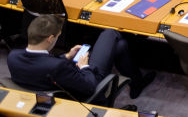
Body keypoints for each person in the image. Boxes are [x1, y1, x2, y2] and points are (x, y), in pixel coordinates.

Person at [7, 14, 154, 100]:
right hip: (87, 85)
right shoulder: (57, 66)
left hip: (51, 86)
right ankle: (137, 79)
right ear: (50, 39)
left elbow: (42, 64)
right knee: (110, 33)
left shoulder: (13, 56)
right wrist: (84, 66)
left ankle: (136, 82)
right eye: (58, 36)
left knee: (120, 46)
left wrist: (67, 56)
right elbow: (90, 87)